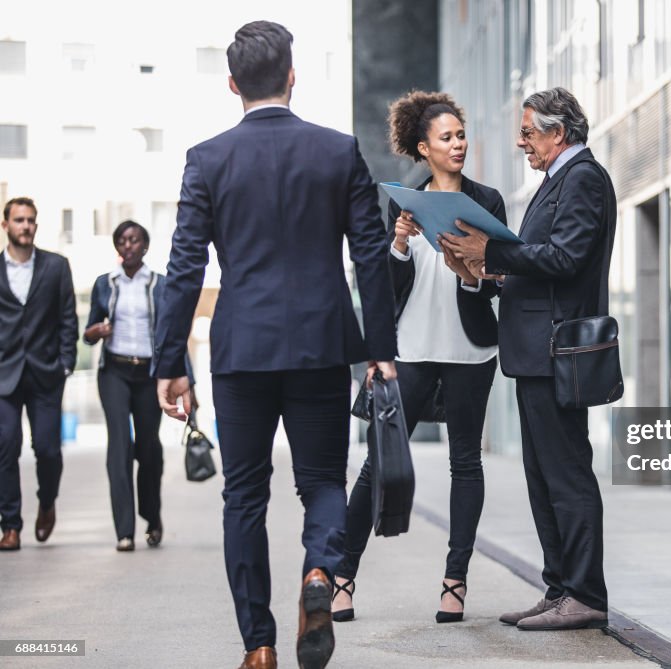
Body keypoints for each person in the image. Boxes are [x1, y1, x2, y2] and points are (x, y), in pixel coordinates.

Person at [151, 22, 397, 669]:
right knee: (321, 480)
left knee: (245, 495)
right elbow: (370, 254)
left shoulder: (207, 159)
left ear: (232, 85)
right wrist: (381, 347)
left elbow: (183, 269)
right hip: (321, 342)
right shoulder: (338, 151)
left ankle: (258, 644)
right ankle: (319, 571)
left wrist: (169, 361)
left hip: (242, 349)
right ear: (293, 76)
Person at [441, 87, 615, 631]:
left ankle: (583, 594)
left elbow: (566, 256)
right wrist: (487, 268)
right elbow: (542, 259)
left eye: (528, 132)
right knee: (542, 474)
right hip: (537, 351)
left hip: (556, 351)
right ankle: (560, 587)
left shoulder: (583, 178)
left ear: (557, 131)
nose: (521, 142)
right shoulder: (558, 180)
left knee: (565, 474)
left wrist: (490, 252)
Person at [331, 91, 505, 625]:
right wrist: (400, 243)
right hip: (412, 347)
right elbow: (389, 285)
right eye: (446, 137)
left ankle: (454, 583)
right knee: (378, 462)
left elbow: (495, 282)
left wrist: (472, 274)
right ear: (424, 148)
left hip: (471, 349)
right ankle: (342, 576)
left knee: (465, 464)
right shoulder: (403, 200)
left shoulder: (487, 200)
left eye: (460, 134)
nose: (458, 144)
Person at [84, 220, 193, 552]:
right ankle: (124, 531)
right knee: (119, 446)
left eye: (134, 240)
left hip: (149, 375)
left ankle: (152, 516)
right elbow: (88, 332)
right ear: (117, 247)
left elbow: (174, 336)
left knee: (148, 449)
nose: (127, 245)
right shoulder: (104, 284)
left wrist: (188, 382)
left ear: (145, 246)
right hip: (114, 372)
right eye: (122, 240)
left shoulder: (160, 285)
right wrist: (95, 333)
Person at [0, 197, 77, 552]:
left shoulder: (56, 266)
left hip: (47, 373)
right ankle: (10, 526)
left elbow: (67, 318)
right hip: (4, 376)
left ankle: (47, 502)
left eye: (31, 220)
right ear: (6, 225)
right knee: (5, 447)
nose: (26, 226)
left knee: (47, 450)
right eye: (19, 220)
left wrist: (66, 362)